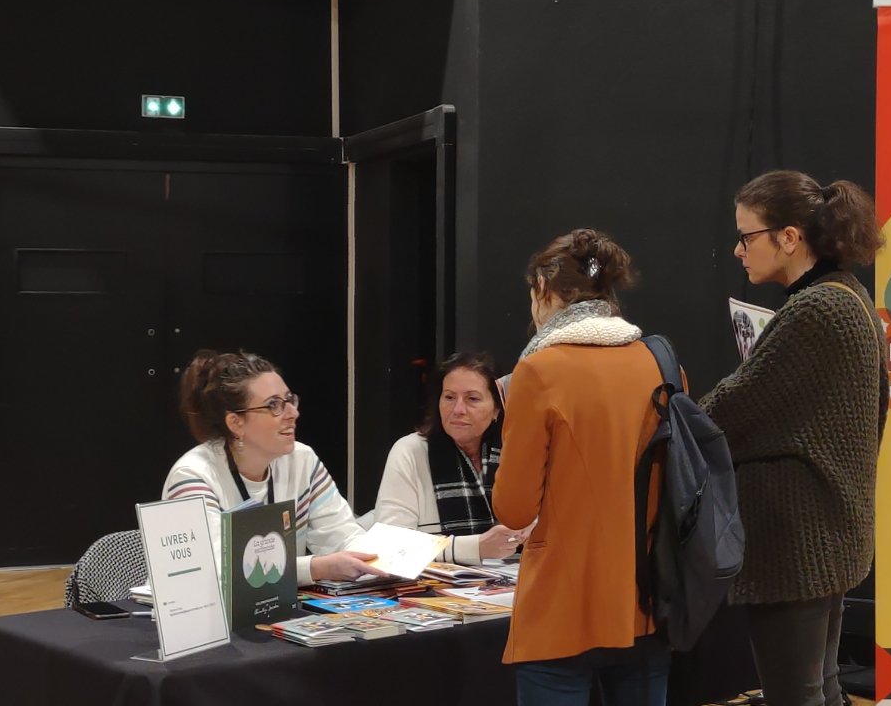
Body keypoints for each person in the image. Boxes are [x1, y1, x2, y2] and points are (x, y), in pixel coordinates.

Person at [698, 171, 886, 706]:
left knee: (796, 697)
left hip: (799, 540)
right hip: (824, 533)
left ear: (789, 237)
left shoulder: (817, 310)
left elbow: (731, 411)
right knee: (820, 693)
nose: (737, 250)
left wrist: (673, 415)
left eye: (747, 236)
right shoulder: (843, 296)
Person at [492, 228, 672, 706]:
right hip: (648, 596)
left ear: (546, 292)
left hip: (561, 603)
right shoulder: (660, 363)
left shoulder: (538, 371)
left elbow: (512, 509)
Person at [165, 349, 381, 585]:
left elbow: (344, 537)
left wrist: (384, 559)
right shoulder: (192, 475)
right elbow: (215, 570)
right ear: (236, 423)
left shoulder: (302, 461)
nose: (293, 413)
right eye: (273, 405)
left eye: (289, 400)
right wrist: (317, 568)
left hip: (274, 608)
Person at [373, 352, 529, 565]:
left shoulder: (516, 453)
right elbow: (389, 546)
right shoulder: (410, 451)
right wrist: (475, 548)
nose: (458, 410)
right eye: (449, 397)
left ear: (496, 409)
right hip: (427, 589)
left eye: (472, 399)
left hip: (508, 586)